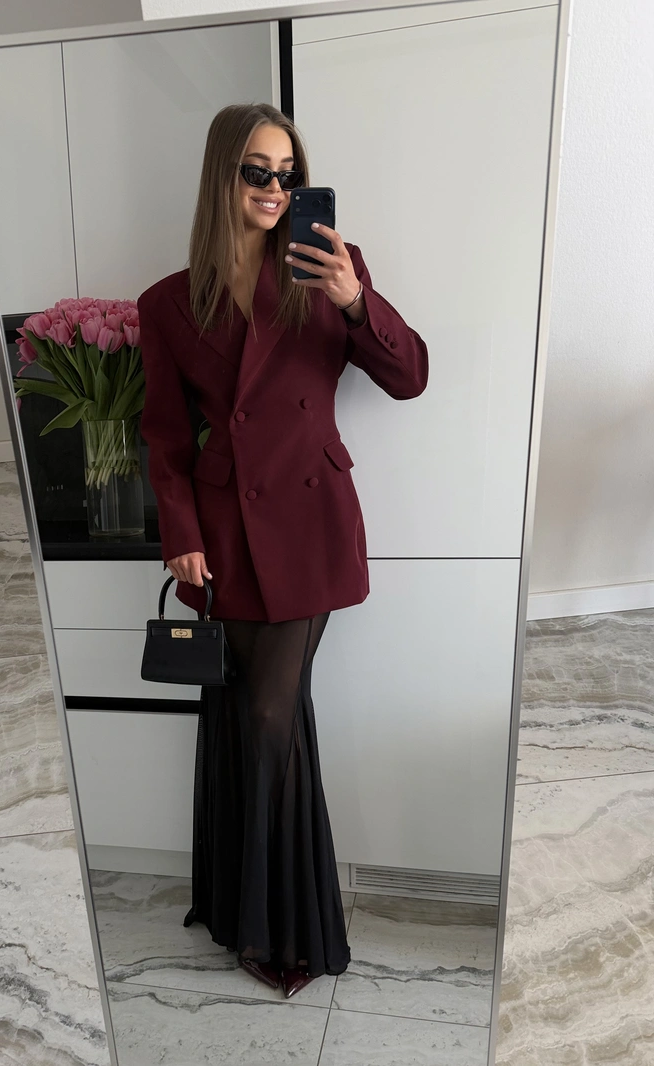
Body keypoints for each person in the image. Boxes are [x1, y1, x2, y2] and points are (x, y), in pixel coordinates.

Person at [137, 102, 428, 999]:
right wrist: (181, 533)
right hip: (224, 536)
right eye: (257, 171)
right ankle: (244, 911)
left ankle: (282, 924)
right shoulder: (168, 302)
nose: (274, 188)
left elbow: (410, 376)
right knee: (243, 715)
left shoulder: (330, 267)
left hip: (306, 522)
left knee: (268, 716)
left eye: (288, 174)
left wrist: (353, 299)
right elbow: (164, 436)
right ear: (223, 176)